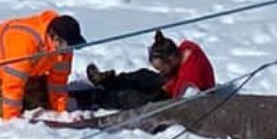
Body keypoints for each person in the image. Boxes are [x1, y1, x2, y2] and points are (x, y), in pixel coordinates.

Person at [0, 10, 85, 126]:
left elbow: (58, 82)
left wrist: (60, 113)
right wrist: (11, 123)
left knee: (38, 103)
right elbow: (13, 87)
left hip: (28, 69)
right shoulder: (25, 45)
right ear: (55, 38)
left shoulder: (64, 48)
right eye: (68, 46)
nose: (70, 50)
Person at [80, 30, 215, 110]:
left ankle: (96, 97)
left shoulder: (190, 81)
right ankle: (108, 81)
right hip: (173, 80)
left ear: (170, 59)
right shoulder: (185, 50)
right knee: (143, 75)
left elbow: (180, 104)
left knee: (134, 97)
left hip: (174, 99)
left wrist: (164, 89)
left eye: (161, 68)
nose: (160, 71)